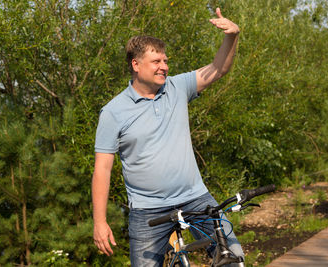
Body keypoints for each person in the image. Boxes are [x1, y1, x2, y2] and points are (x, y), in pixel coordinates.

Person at [92, 7, 241, 266]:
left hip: (196, 197)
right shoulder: (113, 112)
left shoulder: (177, 86)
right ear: (135, 65)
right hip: (147, 210)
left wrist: (232, 36)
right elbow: (102, 169)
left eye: (165, 60)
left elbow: (218, 69)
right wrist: (100, 221)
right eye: (157, 62)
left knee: (233, 257)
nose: (164, 67)